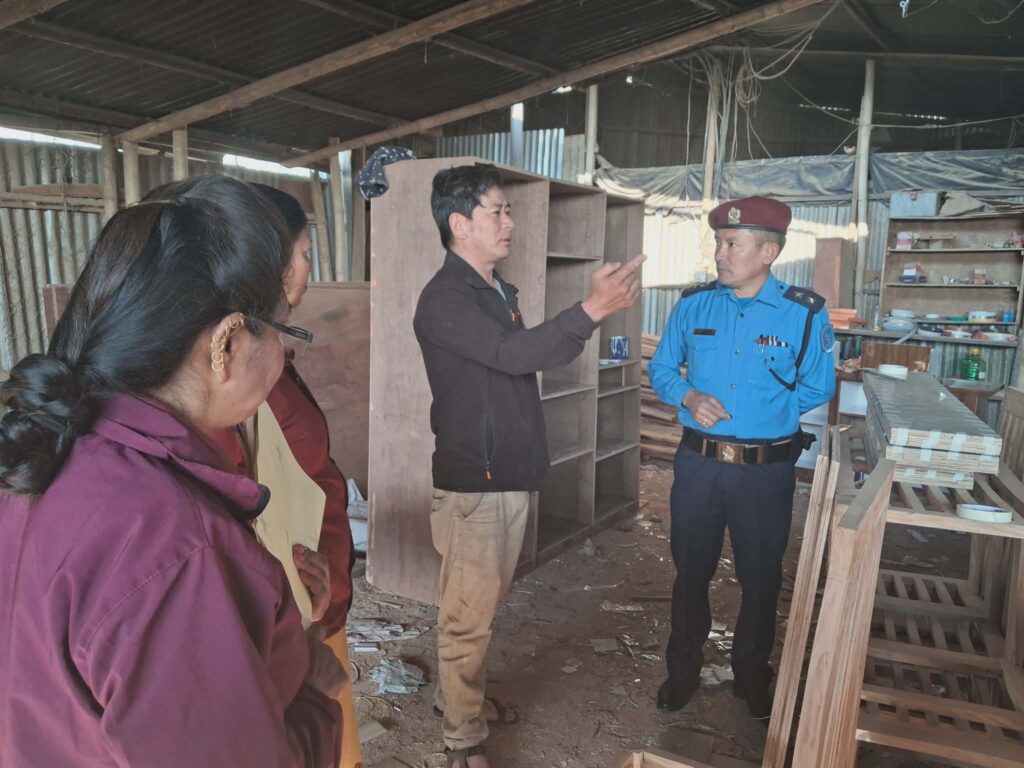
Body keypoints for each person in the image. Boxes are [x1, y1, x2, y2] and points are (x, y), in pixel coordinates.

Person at [0, 175, 345, 766]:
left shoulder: (48, 456)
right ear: (227, 343)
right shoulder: (177, 547)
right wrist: (312, 691)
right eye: (284, 333)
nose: (283, 356)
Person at [413, 163, 644, 768]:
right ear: (460, 224)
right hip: (477, 481)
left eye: (508, 209)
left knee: (479, 607)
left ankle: (455, 700)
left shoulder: (495, 291)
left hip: (505, 473)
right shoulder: (445, 299)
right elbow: (514, 354)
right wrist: (589, 310)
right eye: (496, 210)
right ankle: (462, 739)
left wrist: (587, 315)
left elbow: (524, 356)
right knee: (467, 619)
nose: (509, 221)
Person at [648, 196, 836, 721]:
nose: (720, 253)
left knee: (760, 578)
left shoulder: (803, 313)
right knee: (690, 572)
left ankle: (752, 678)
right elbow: (661, 369)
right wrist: (688, 396)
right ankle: (682, 672)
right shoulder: (694, 306)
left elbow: (817, 386)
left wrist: (765, 417)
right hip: (699, 468)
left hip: (764, 472)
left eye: (733, 243)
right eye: (718, 242)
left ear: (768, 252)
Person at [210, 182, 361, 767]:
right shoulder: (234, 387)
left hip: (312, 600)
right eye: (304, 252)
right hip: (288, 622)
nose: (308, 267)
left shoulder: (261, 365)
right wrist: (291, 609)